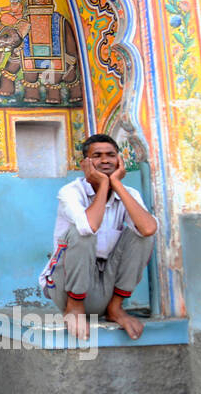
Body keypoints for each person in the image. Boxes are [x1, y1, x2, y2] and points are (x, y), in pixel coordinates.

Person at [41, 134, 156, 341]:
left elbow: (148, 229)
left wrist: (116, 184)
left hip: (106, 288)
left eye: (111, 155)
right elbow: (88, 227)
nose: (105, 160)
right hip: (67, 287)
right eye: (97, 156)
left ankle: (116, 309)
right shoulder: (70, 192)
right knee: (82, 233)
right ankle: (74, 310)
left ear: (119, 160)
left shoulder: (128, 193)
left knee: (141, 232)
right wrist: (104, 184)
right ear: (85, 163)